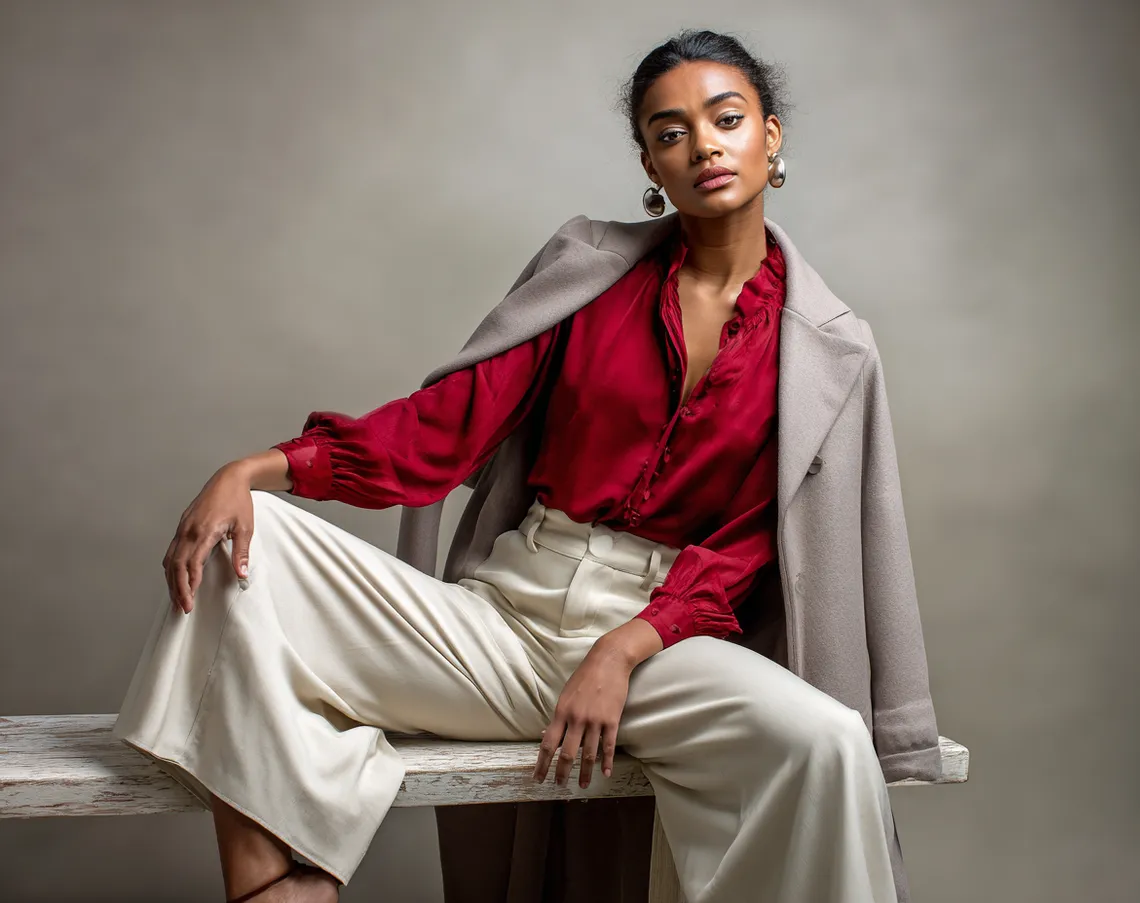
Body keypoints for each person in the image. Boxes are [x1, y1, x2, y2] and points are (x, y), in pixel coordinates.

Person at [114, 28, 914, 903]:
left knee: (826, 742)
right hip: (499, 622)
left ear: (771, 135)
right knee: (245, 552)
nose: (704, 145)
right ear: (648, 158)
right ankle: (284, 884)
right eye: (671, 130)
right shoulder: (592, 278)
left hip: (664, 644)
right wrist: (260, 469)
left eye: (726, 118)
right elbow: (440, 431)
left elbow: (753, 544)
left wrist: (621, 649)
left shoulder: (829, 352)